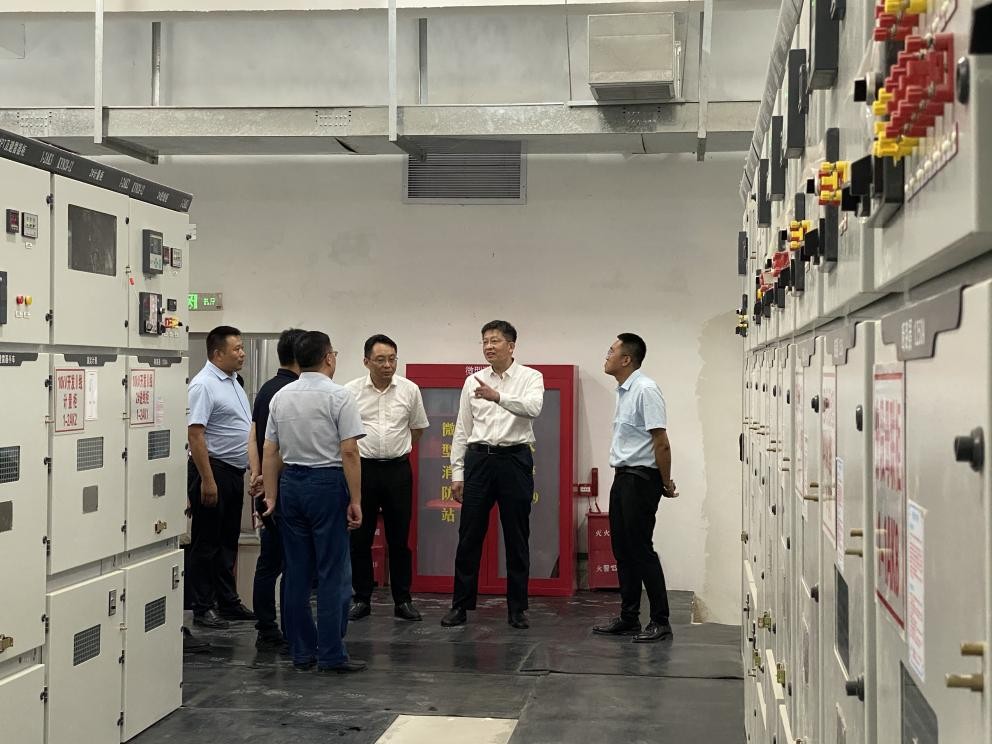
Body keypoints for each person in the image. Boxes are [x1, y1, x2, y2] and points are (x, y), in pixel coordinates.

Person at [261, 331, 367, 673]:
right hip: (327, 484)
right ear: (328, 358)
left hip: (291, 485)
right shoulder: (340, 396)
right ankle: (331, 654)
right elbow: (349, 451)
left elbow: (270, 450)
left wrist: (271, 496)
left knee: (296, 573)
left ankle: (302, 652)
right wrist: (356, 499)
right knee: (333, 574)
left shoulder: (281, 397)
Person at [441, 320, 544, 630]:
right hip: (479, 460)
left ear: (511, 346)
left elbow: (533, 408)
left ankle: (518, 608)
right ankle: (460, 605)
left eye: (495, 340)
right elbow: (462, 429)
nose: (488, 346)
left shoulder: (531, 377)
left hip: (515, 460)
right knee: (469, 535)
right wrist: (457, 472)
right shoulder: (472, 381)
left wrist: (498, 396)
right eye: (485, 341)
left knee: (517, 536)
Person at [593, 333, 678, 643]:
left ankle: (660, 621)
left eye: (611, 350)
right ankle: (629, 617)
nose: (607, 356)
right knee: (622, 549)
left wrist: (665, 481)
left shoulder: (645, 389)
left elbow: (661, 441)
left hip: (641, 478)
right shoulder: (624, 391)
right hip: (624, 476)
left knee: (640, 549)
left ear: (626, 359)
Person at [344, 335, 430, 622]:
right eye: (380, 360)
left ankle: (402, 600)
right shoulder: (350, 391)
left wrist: (398, 448)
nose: (387, 365)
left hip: (397, 471)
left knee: (399, 538)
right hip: (363, 470)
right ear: (366, 361)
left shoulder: (409, 390)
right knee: (360, 537)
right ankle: (361, 598)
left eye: (392, 359)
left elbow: (417, 429)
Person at [187, 326, 256, 628]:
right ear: (217, 354)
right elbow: (195, 434)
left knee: (227, 541)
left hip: (232, 472)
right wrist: (208, 480)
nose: (242, 354)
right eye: (236, 349)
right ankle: (203, 607)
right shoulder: (204, 385)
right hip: (213, 470)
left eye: (242, 348)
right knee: (207, 542)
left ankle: (227, 602)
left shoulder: (233, 381)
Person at [247, 328, 306, 650]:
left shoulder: (267, 389)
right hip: (283, 489)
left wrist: (257, 474)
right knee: (288, 563)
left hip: (266, 486)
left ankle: (267, 628)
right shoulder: (292, 392)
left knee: (270, 562)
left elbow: (253, 434)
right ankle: (285, 630)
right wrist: (268, 479)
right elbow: (283, 446)